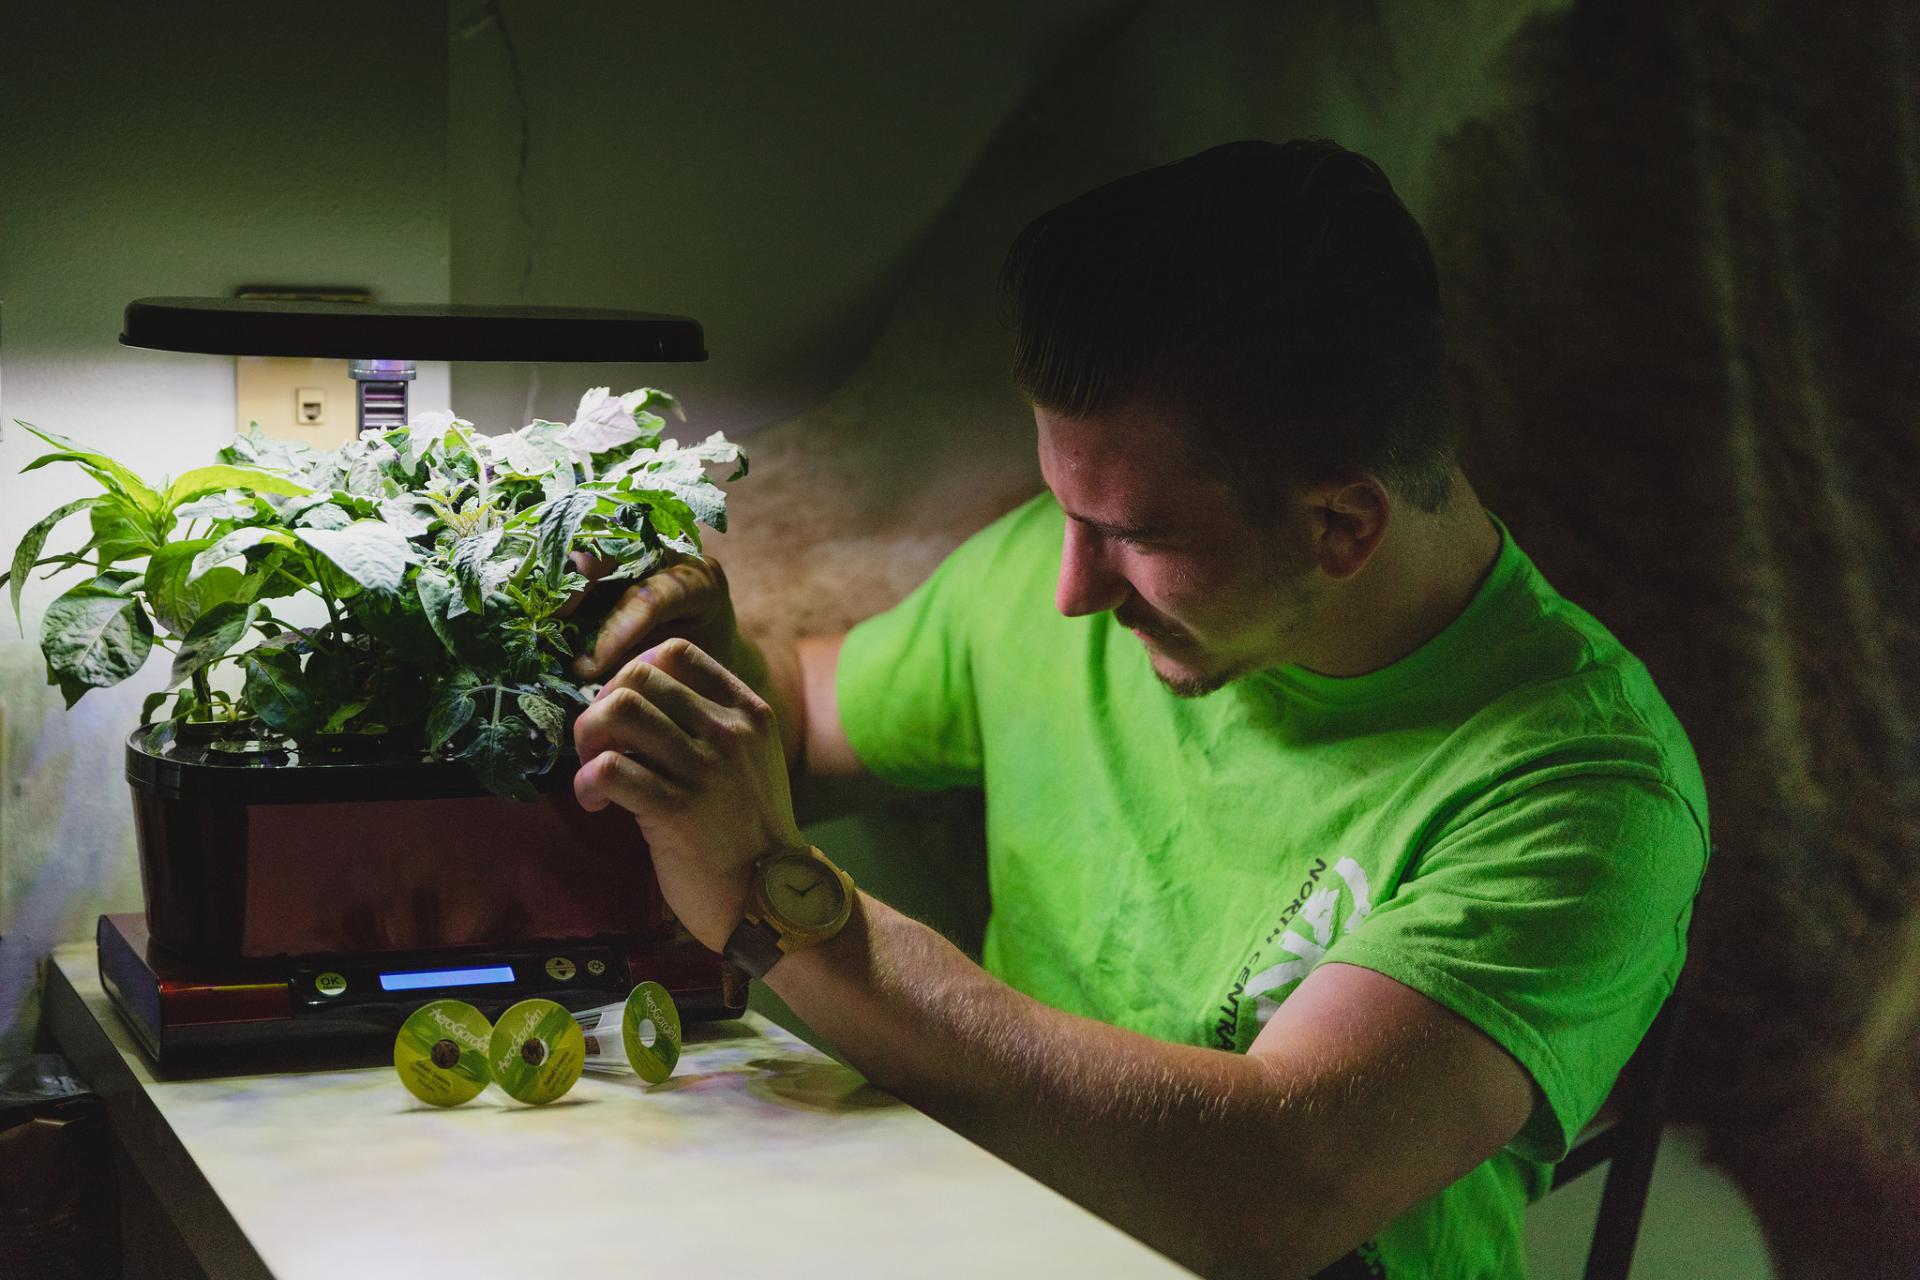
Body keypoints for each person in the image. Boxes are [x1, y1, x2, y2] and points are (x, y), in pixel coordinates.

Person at [565, 139, 1709, 1279]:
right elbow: (808, 712)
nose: (1075, 588)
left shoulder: (1586, 788)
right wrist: (693, 643)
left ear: (1341, 526)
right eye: (1068, 510)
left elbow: (1273, 1185)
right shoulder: (1056, 582)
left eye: (1137, 535)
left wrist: (780, 901)